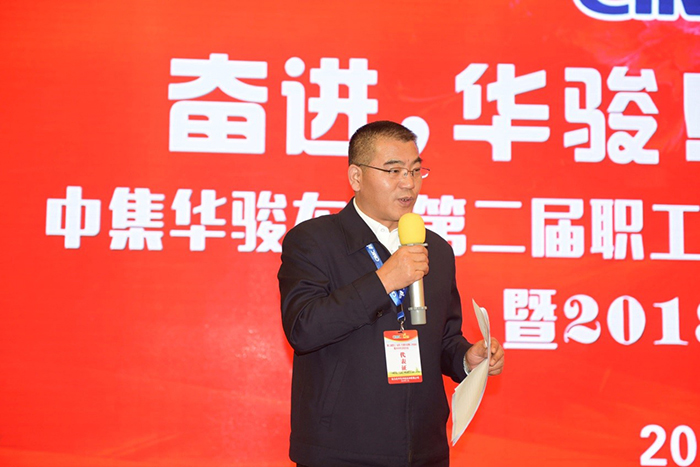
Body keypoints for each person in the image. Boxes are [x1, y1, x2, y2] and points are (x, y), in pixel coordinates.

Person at [278, 120, 504, 467]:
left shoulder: (436, 250)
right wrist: (383, 281)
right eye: (393, 170)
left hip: (423, 450)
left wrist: (466, 359)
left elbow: (444, 338)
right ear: (356, 177)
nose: (408, 183)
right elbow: (304, 328)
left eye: (415, 170)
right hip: (340, 451)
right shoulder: (313, 241)